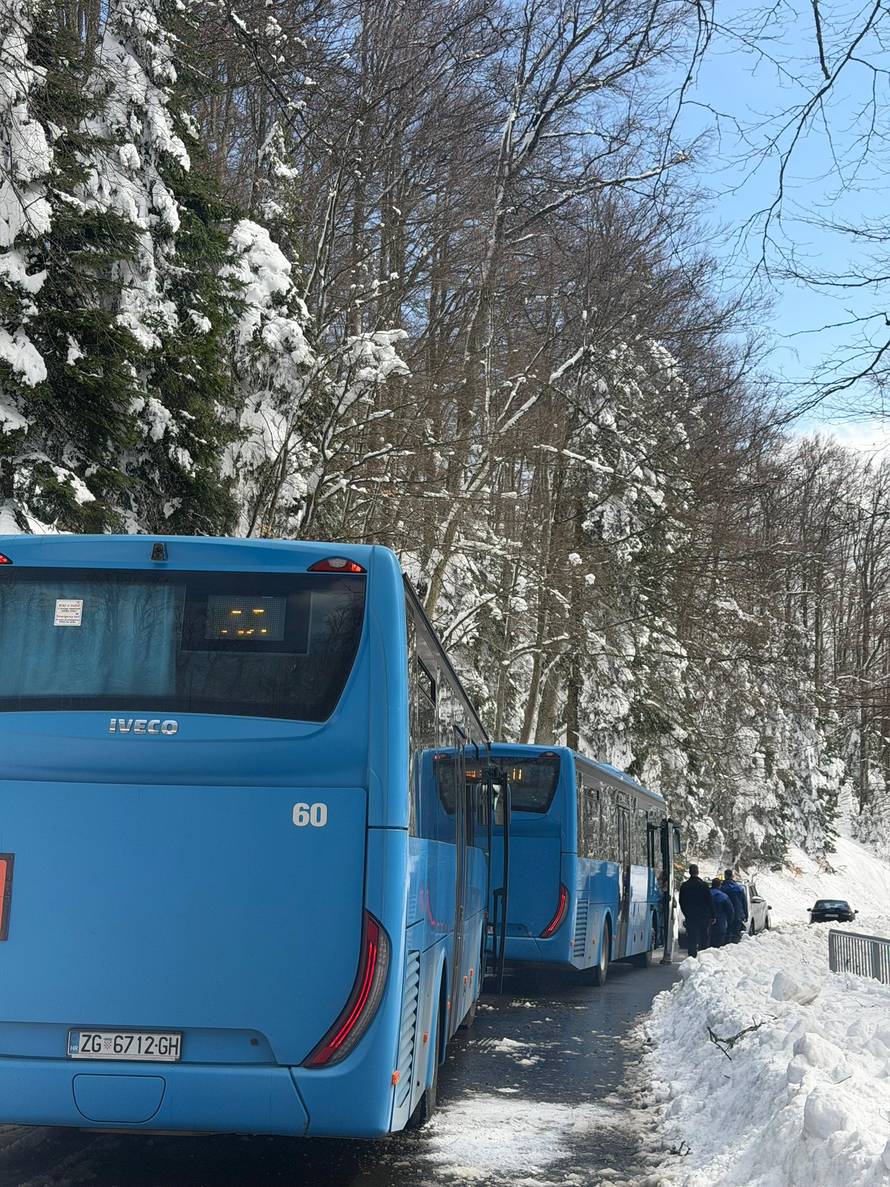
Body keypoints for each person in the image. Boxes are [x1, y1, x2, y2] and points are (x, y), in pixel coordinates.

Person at [678, 864, 714, 957]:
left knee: (692, 937)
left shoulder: (685, 886)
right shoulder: (703, 885)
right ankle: (703, 956)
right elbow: (709, 901)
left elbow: (681, 901)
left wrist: (686, 913)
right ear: (697, 872)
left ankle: (692, 956)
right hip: (703, 915)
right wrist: (712, 915)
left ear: (689, 872)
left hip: (691, 915)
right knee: (703, 937)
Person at [722, 869, 748, 942]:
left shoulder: (722, 888)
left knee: (726, 935)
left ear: (725, 876)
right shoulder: (739, 888)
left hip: (725, 915)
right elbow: (744, 902)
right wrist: (746, 914)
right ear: (732, 876)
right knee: (736, 935)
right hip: (738, 915)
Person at [709, 878, 735, 947]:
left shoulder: (706, 894)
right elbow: (730, 911)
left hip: (707, 925)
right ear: (720, 885)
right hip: (720, 925)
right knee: (719, 947)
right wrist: (729, 922)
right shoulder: (723, 896)